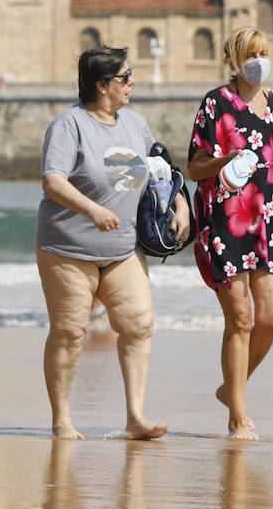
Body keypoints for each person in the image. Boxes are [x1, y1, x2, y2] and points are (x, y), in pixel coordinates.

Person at [36, 45, 183, 440]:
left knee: (138, 324)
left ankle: (136, 417)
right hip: (67, 249)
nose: (132, 83)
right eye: (125, 77)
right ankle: (62, 421)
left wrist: (181, 203)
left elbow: (158, 170)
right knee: (69, 332)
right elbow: (53, 180)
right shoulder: (70, 126)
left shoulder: (134, 123)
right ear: (103, 85)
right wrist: (93, 211)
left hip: (122, 249)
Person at [188, 26, 273, 440]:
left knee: (271, 319)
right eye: (252, 52)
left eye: (265, 51)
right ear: (235, 58)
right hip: (226, 221)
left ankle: (230, 390)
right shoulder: (216, 103)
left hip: (269, 221)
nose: (260, 59)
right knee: (240, 320)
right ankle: (237, 417)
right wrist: (226, 160)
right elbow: (195, 167)